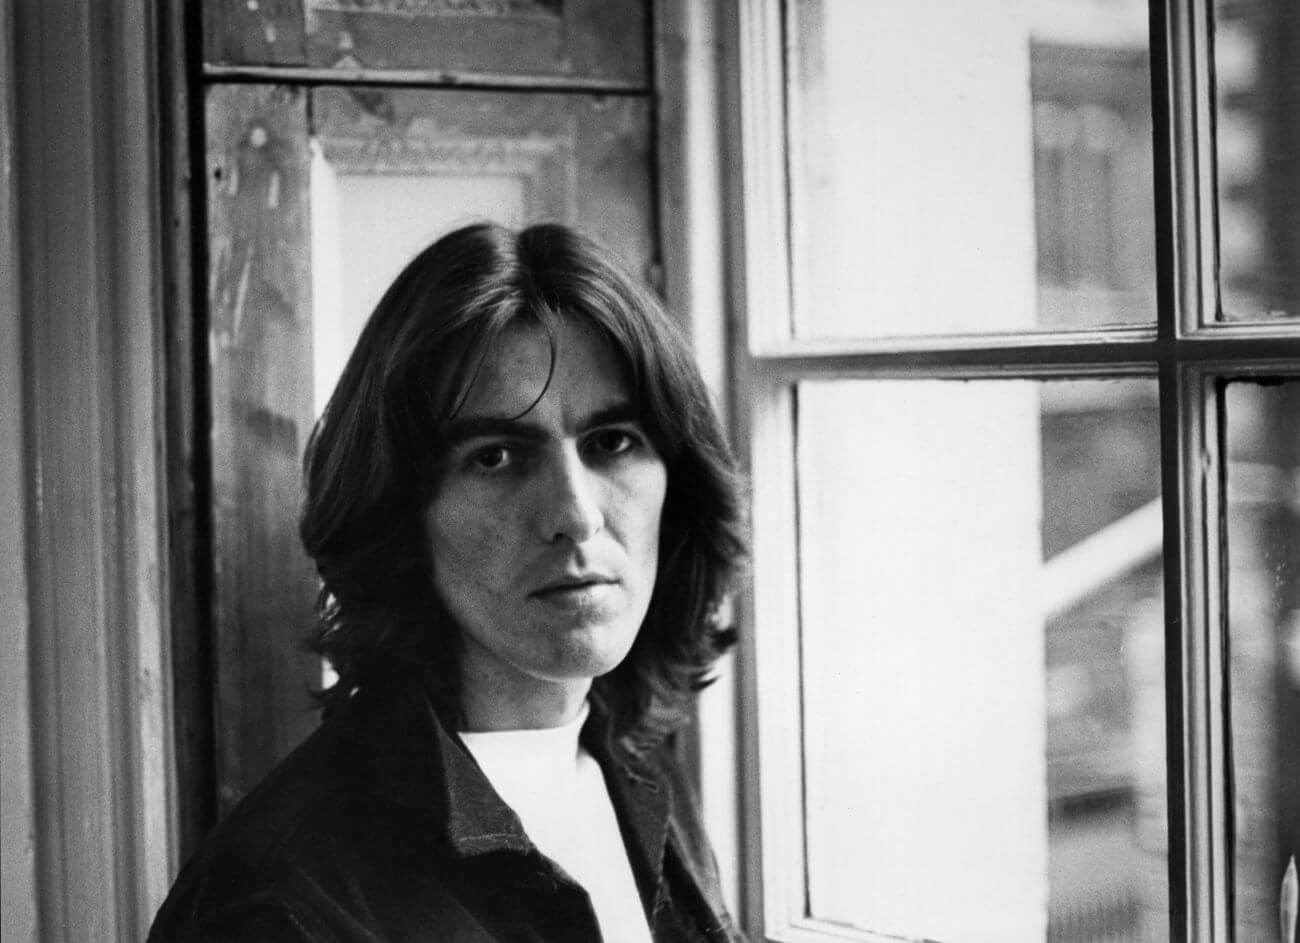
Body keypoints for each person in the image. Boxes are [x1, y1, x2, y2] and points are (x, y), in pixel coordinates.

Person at [147, 222, 748, 942]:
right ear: (402, 514)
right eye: (497, 456)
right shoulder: (284, 900)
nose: (576, 516)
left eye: (612, 442)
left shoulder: (650, 784)